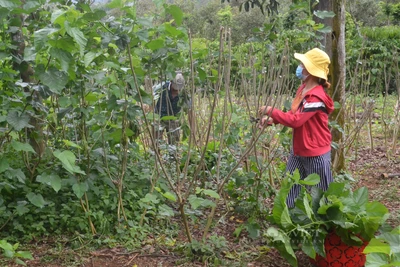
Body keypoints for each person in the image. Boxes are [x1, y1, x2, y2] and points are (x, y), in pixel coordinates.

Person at [258, 48, 334, 208]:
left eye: (303, 64)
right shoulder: (303, 89)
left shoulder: (316, 97)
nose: (300, 67)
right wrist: (272, 120)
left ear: (311, 70)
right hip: (298, 149)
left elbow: (296, 121)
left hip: (316, 153)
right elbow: (294, 113)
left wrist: (271, 110)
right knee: (290, 188)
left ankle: (324, 229)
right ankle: (289, 222)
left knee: (321, 196)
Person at [153, 72, 188, 146]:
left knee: (174, 143)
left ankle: (173, 156)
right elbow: (152, 96)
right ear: (171, 82)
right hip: (158, 116)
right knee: (156, 142)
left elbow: (190, 109)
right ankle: (156, 155)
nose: (176, 90)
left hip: (173, 119)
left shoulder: (184, 93)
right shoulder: (162, 86)